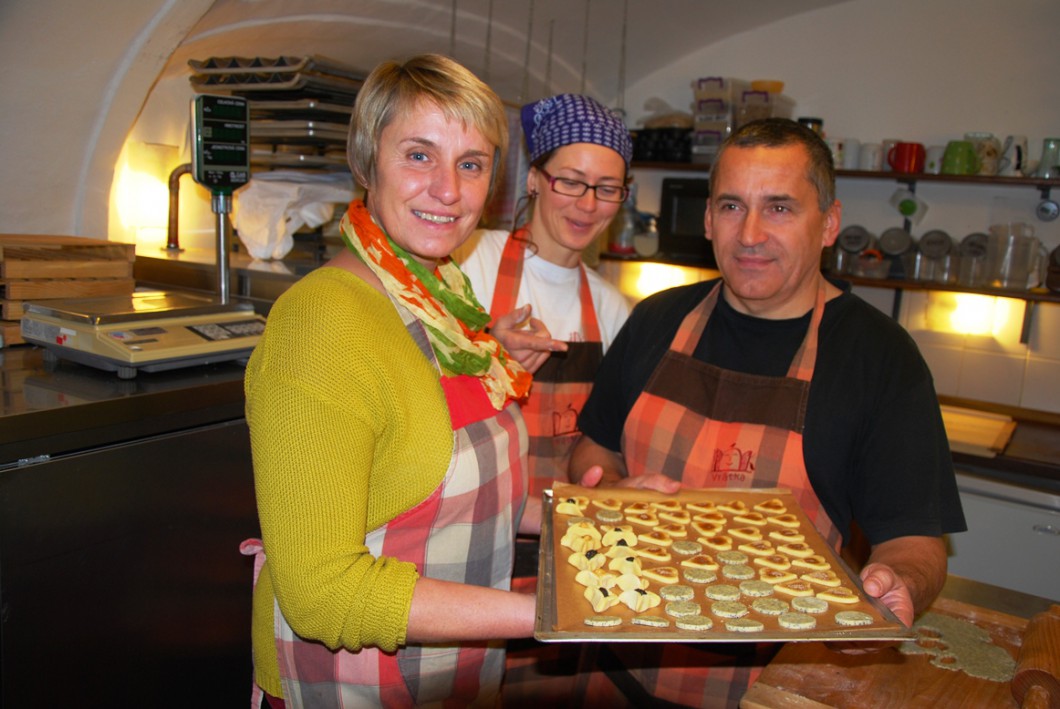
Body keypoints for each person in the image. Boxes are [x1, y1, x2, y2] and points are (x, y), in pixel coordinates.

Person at [569, 117, 967, 707]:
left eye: (779, 208)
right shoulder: (656, 320)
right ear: (708, 219)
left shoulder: (878, 358)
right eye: (732, 206)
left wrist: (896, 586)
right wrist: (609, 493)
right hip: (615, 657)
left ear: (828, 223)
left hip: (768, 682)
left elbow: (912, 540)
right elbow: (592, 450)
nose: (749, 233)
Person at [241, 54, 543, 708]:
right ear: (365, 161)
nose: (448, 190)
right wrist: (545, 615)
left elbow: (470, 497)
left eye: (471, 163)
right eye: (418, 155)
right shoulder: (323, 322)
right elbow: (322, 592)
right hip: (354, 684)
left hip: (452, 671)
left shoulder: (444, 297)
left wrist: (598, 521)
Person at [455, 93, 633, 499]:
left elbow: (608, 441)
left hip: (567, 529)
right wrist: (488, 358)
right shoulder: (467, 260)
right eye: (570, 182)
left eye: (607, 189)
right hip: (471, 516)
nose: (587, 204)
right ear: (534, 179)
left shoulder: (614, 308)